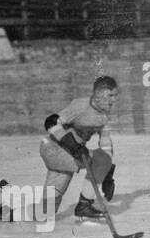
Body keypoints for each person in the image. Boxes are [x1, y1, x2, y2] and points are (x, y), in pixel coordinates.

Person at [40, 75, 119, 222]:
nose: (114, 100)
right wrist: (73, 145)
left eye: (115, 96)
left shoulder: (104, 118)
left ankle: (4, 211)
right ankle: (84, 206)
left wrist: (107, 175)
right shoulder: (81, 106)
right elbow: (50, 123)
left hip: (66, 155)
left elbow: (106, 146)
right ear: (98, 95)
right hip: (54, 148)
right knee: (100, 160)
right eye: (110, 95)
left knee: (46, 212)